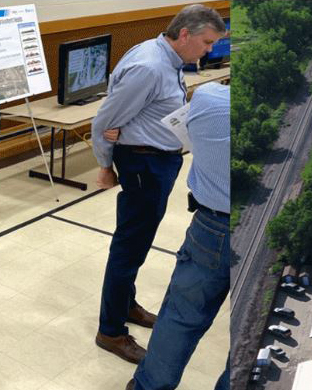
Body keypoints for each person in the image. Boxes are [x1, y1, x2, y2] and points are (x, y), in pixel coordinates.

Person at [90, 3, 226, 364]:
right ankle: (111, 331)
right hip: (143, 165)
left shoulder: (164, 58)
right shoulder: (149, 67)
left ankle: (125, 304)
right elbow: (105, 119)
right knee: (129, 247)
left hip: (157, 161)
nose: (209, 50)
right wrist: (104, 164)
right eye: (207, 42)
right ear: (184, 34)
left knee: (138, 244)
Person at [127, 81, 233, 390]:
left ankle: (148, 386)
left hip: (211, 228)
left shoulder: (210, 99)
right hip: (265, 235)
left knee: (180, 316)